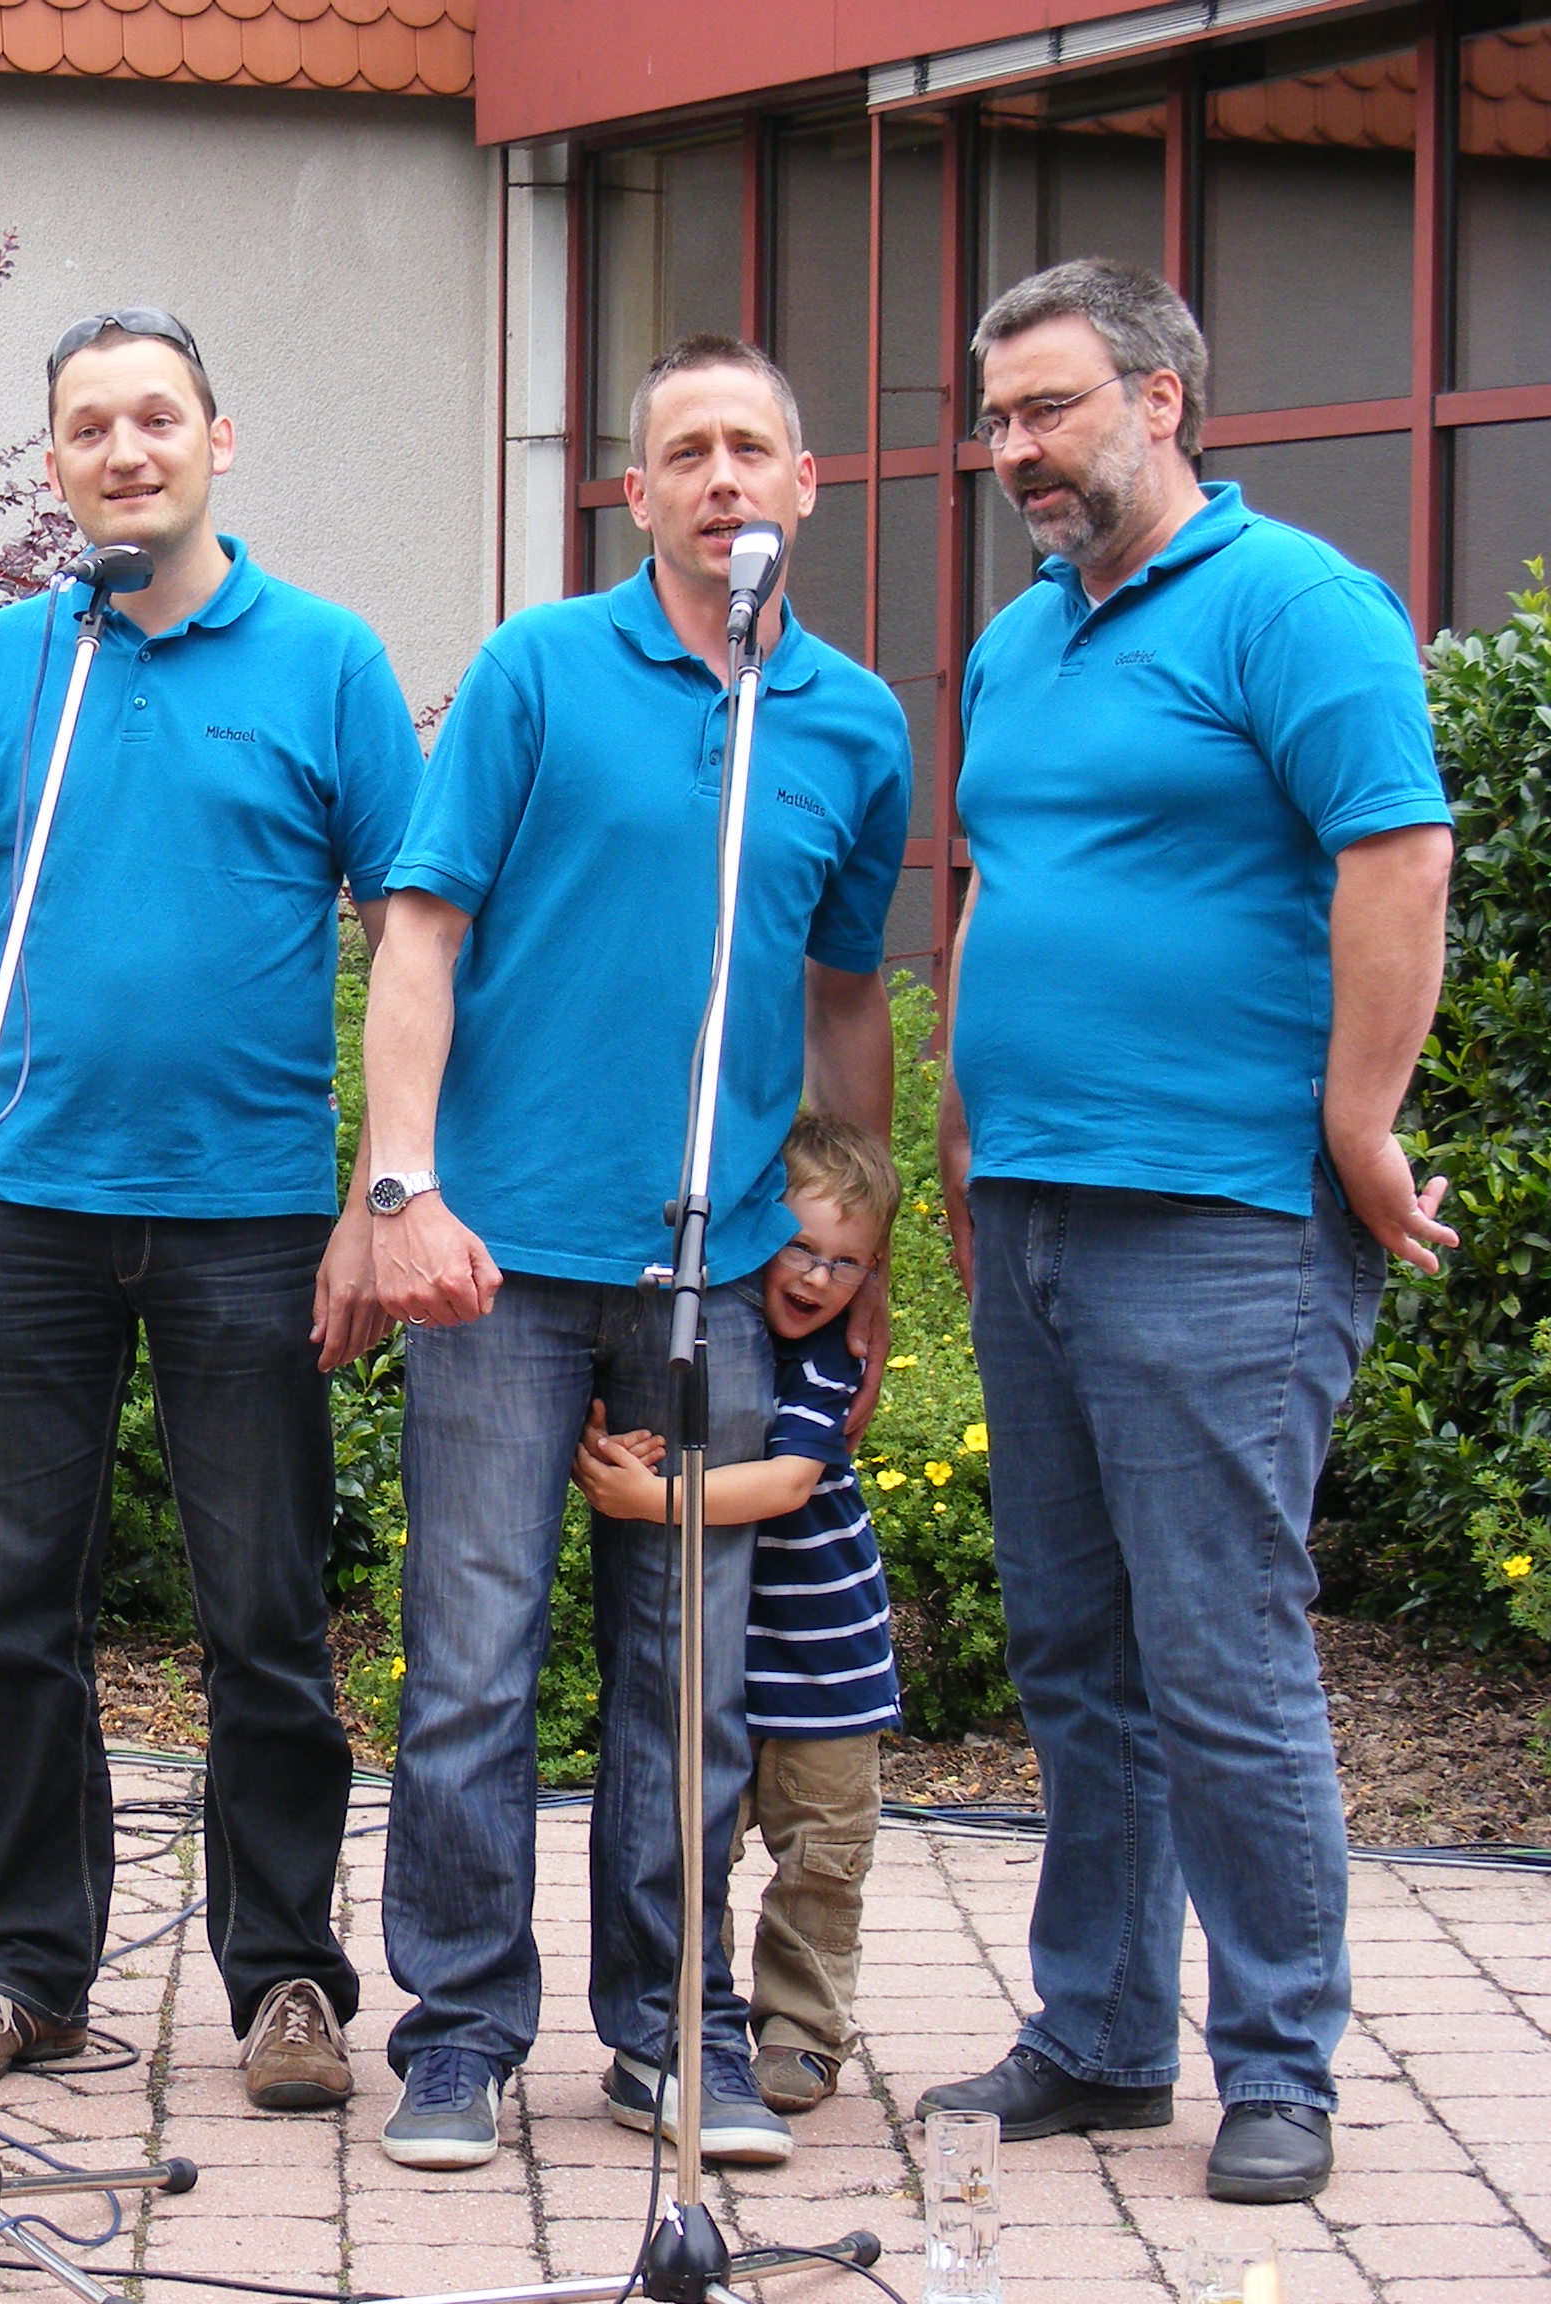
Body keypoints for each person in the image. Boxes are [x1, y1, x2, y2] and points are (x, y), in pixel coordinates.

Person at [0, 309, 422, 2113]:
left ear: (216, 441)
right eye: (89, 427)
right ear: (53, 465)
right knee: (14, 1611)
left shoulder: (327, 660)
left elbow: (411, 930)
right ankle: (25, 1969)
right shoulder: (9, 662)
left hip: (253, 1217)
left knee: (264, 1614)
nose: (125, 450)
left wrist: (382, 1190)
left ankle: (288, 1977)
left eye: (156, 418)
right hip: (25, 1208)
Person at [917, 260, 1455, 2207]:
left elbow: (1397, 853)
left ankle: (1280, 2063)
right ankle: (1098, 2034)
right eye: (994, 418)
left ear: (1161, 399)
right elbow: (1000, 890)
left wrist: (1360, 1121)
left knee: (1219, 1651)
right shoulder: (1017, 644)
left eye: (1048, 408)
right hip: (1037, 1208)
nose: (1014, 449)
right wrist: (962, 1138)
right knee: (1075, 1649)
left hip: (1221, 1216)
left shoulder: (1295, 604)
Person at [365, 333, 909, 2172]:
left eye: (752, 446)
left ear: (805, 482)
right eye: (685, 451)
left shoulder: (850, 722)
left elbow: (845, 999)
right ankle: (458, 2028)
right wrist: (400, 1187)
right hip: (500, 1261)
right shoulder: (536, 670)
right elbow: (421, 932)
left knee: (688, 1677)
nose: (721, 477)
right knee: (473, 1662)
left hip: (721, 1269)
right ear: (637, 491)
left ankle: (674, 2029)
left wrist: (863, 1236)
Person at [575, 1109, 902, 2119]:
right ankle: (695, 2019)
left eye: (847, 1262)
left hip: (823, 1671)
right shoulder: (712, 1337)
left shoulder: (828, 1360)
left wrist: (653, 1501)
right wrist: (619, 1451)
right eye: (801, 1248)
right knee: (696, 1850)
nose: (818, 1278)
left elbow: (789, 1482)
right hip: (721, 1663)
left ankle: (802, 2034)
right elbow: (645, 1439)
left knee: (820, 1864)